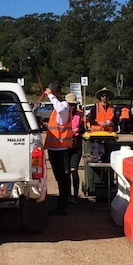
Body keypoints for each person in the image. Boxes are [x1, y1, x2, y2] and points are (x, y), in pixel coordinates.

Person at [43, 82, 72, 215]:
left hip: (61, 150)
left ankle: (63, 205)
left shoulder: (64, 106)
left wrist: (51, 96)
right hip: (54, 149)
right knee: (59, 178)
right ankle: (62, 203)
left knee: (63, 178)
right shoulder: (57, 109)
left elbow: (60, 109)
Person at [65, 93, 85, 204]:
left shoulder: (80, 115)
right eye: (69, 104)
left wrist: (79, 131)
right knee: (66, 172)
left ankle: (75, 195)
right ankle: (67, 194)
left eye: (73, 104)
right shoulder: (62, 115)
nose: (71, 107)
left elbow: (84, 129)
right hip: (65, 146)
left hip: (76, 145)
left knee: (74, 170)